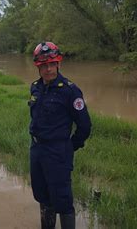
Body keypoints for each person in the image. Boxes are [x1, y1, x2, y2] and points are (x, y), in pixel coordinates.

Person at [28, 42, 92, 229]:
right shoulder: (35, 88)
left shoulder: (70, 91)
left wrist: (70, 146)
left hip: (58, 152)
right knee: (42, 195)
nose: (48, 70)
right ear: (38, 67)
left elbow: (84, 126)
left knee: (62, 200)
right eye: (44, 66)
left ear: (58, 64)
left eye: (52, 64)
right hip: (37, 149)